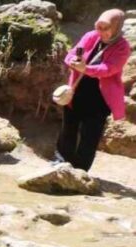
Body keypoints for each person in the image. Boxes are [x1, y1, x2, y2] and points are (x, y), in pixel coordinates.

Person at [55, 9, 131, 173]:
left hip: (100, 98)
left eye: (106, 28)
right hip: (77, 92)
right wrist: (73, 62)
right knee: (68, 128)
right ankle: (61, 162)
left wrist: (86, 68)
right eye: (99, 27)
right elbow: (72, 54)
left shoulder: (122, 47)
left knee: (90, 135)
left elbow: (109, 69)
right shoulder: (91, 36)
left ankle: (80, 170)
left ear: (116, 27)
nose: (101, 32)